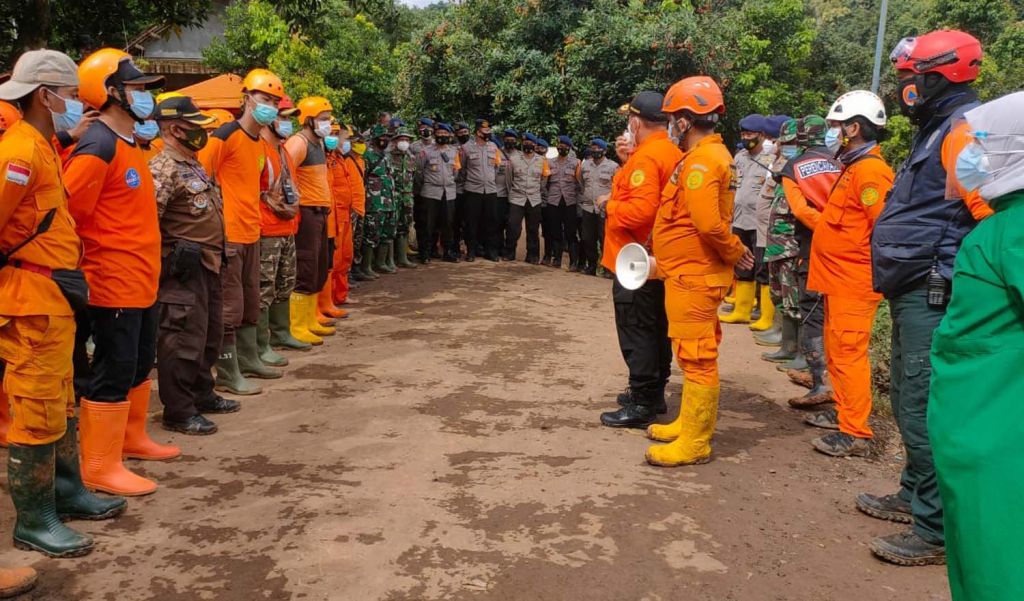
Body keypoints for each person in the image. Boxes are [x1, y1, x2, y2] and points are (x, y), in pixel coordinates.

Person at [862, 30, 990, 567]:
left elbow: (985, 215)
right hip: (910, 283)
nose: (904, 90)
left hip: (931, 289)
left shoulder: (963, 133)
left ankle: (934, 530)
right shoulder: (936, 130)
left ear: (939, 76)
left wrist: (946, 271)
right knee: (907, 396)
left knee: (920, 405)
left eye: (910, 78)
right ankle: (912, 494)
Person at [0, 48, 127, 561]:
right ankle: (34, 518)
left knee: (60, 398)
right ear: (43, 95)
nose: (77, 104)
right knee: (34, 404)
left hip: (54, 295)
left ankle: (66, 490)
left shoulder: (44, 143)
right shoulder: (19, 153)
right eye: (71, 95)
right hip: (30, 297)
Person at [66, 48, 180, 496]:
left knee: (136, 364)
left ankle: (130, 440)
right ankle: (99, 464)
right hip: (111, 282)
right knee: (111, 371)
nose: (145, 96)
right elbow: (68, 215)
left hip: (142, 278)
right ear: (110, 93)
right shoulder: (98, 146)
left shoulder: (131, 143)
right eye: (136, 88)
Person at [929, 90, 1024, 601]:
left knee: (999, 570)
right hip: (980, 428)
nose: (969, 154)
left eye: (984, 143)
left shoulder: (1017, 228)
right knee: (978, 563)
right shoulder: (1004, 224)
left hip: (1001, 433)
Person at [644, 76, 753, 465]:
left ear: (687, 120)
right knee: (689, 352)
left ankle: (696, 440)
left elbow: (708, 224)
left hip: (696, 274)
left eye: (674, 118)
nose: (671, 124)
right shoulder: (701, 157)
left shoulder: (704, 161)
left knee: (697, 356)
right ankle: (687, 424)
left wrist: (735, 250)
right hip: (687, 271)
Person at [805, 90, 893, 457]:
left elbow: (882, 231)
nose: (833, 133)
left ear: (854, 128)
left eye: (837, 127)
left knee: (849, 353)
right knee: (838, 352)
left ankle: (857, 432)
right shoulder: (853, 168)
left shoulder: (871, 172)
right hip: (837, 281)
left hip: (854, 284)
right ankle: (844, 413)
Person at [150, 95, 240, 436]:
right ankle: (179, 410)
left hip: (211, 262)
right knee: (182, 339)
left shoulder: (192, 162)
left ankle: (202, 393)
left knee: (209, 335)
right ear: (175, 129)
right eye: (195, 127)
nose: (202, 133)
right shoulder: (163, 167)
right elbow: (149, 222)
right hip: (183, 268)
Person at [596, 91, 682, 428]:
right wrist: (625, 162)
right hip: (657, 258)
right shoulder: (669, 152)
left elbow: (639, 211)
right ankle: (653, 392)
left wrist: (607, 204)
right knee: (656, 329)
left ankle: (643, 400)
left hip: (634, 261)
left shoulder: (647, 159)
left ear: (635, 122)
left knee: (637, 330)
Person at [199, 68, 286, 395]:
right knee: (230, 305)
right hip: (230, 236)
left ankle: (249, 359)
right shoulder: (225, 136)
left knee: (251, 301)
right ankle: (226, 371)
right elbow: (200, 177)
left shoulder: (258, 143)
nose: (271, 107)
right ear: (247, 98)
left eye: (275, 101)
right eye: (265, 99)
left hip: (253, 232)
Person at [778, 116, 841, 410]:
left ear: (801, 137)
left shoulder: (794, 167)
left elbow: (800, 210)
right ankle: (835, 379)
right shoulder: (842, 161)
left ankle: (821, 383)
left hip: (814, 247)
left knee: (813, 311)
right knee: (837, 313)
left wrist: (825, 227)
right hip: (847, 246)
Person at [258, 96, 315, 349]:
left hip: (287, 226)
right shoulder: (259, 148)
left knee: (285, 282)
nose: (287, 123)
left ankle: (282, 333)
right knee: (264, 287)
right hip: (266, 228)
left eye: (290, 118)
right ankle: (261, 344)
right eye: (282, 117)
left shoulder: (282, 151)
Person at [284, 97, 340, 338]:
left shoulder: (317, 143)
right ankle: (297, 326)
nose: (328, 124)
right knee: (305, 267)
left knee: (318, 266)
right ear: (308, 120)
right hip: (306, 211)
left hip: (320, 212)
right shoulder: (299, 143)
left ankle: (310, 318)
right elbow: (285, 171)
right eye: (323, 119)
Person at [720, 114, 771, 324]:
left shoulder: (770, 158)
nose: (746, 136)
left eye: (749, 133)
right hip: (738, 220)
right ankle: (741, 311)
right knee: (742, 265)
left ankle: (767, 316)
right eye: (743, 133)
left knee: (762, 268)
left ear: (761, 135)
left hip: (759, 223)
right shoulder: (739, 157)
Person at [760, 118, 801, 357]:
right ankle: (786, 344)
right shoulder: (783, 167)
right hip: (777, 245)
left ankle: (797, 350)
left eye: (790, 142)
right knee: (780, 293)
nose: (784, 146)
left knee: (793, 297)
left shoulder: (804, 169)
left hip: (791, 247)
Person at [748, 115, 788, 337]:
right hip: (767, 231)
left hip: (781, 236)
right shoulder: (774, 162)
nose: (770, 143)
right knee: (772, 278)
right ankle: (775, 325)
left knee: (782, 284)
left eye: (774, 138)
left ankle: (779, 328)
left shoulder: (786, 164)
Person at [416, 122, 460, 263]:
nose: (442, 136)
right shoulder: (426, 151)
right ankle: (425, 253)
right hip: (430, 192)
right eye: (439, 134)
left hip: (449, 192)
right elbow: (419, 172)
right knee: (428, 224)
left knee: (448, 223)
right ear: (435, 134)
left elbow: (457, 171)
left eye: (445, 134)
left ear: (449, 135)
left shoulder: (454, 151)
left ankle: (447, 252)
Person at [327, 123, 361, 303]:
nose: (348, 143)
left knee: (346, 257)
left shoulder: (341, 159)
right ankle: (329, 298)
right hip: (335, 216)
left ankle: (341, 295)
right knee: (334, 258)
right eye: (346, 139)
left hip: (346, 214)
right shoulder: (329, 160)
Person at [458, 118, 501, 262]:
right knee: (471, 222)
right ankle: (471, 252)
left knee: (491, 222)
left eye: (489, 130)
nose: (488, 133)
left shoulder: (494, 147)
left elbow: (496, 167)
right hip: (472, 190)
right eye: (486, 131)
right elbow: (462, 170)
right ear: (478, 132)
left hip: (490, 190)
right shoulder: (466, 148)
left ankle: (491, 251)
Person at [577, 138, 619, 276]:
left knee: (604, 238)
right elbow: (581, 182)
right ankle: (591, 266)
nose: (595, 151)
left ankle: (607, 268)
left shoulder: (613, 167)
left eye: (598, 149)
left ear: (605, 151)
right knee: (588, 238)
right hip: (588, 207)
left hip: (604, 209)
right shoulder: (585, 165)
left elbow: (618, 187)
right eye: (593, 149)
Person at [505, 133, 548, 263]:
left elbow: (544, 179)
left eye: (531, 143)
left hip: (534, 198)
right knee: (513, 226)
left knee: (533, 228)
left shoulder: (542, 161)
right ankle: (509, 252)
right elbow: (508, 179)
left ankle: (533, 255)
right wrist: (512, 193)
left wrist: (536, 191)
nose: (528, 145)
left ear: (535, 145)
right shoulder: (513, 159)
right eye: (525, 142)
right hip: (517, 198)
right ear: (522, 143)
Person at [361, 124, 397, 273]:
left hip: (389, 201)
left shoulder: (387, 156)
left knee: (387, 233)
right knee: (371, 234)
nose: (384, 140)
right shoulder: (367, 155)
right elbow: (362, 178)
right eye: (381, 137)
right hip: (374, 202)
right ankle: (366, 266)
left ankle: (381, 263)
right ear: (374, 138)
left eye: (386, 137)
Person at [544, 135, 581, 270]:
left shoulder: (576, 163)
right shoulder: (550, 162)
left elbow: (579, 183)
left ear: (569, 147)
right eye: (560, 146)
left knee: (571, 233)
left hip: (569, 202)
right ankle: (557, 259)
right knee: (555, 231)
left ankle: (573, 262)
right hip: (553, 201)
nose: (561, 148)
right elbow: (546, 183)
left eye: (564, 146)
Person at [389, 128, 418, 268]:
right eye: (401, 139)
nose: (404, 142)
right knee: (390, 227)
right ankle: (388, 260)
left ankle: (402, 257)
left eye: (407, 140)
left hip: (407, 197)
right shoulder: (388, 156)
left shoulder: (411, 158)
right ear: (395, 141)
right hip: (392, 197)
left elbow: (415, 178)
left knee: (405, 226)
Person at [495, 128, 518, 256]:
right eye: (507, 140)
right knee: (498, 223)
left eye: (512, 140)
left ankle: (510, 249)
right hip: (499, 194)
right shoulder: (497, 153)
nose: (510, 142)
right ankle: (499, 248)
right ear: (503, 140)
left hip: (515, 195)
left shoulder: (519, 155)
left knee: (512, 225)